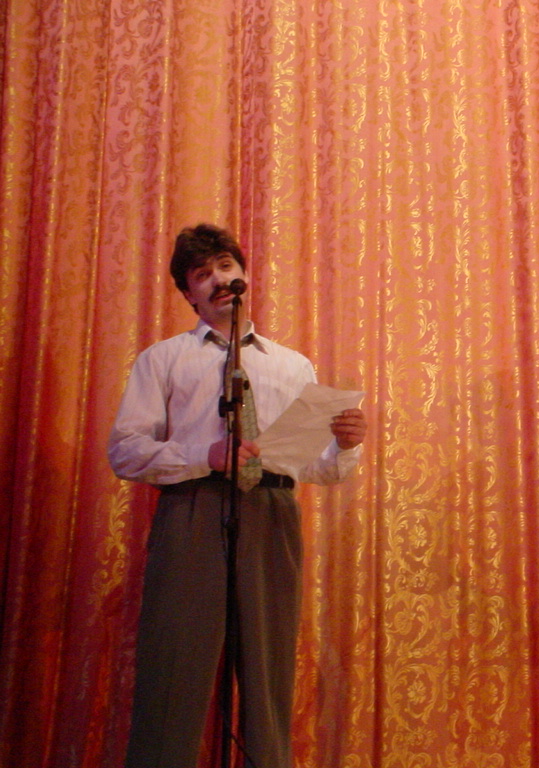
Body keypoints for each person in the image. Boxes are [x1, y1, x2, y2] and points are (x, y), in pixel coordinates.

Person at [109, 224, 367, 768]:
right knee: (174, 667)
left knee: (269, 667)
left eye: (226, 266)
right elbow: (126, 452)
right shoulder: (163, 359)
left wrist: (344, 446)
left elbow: (313, 467)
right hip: (193, 509)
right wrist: (204, 455)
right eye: (202, 274)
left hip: (272, 513)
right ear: (189, 294)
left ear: (244, 274)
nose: (219, 280)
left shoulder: (292, 365)